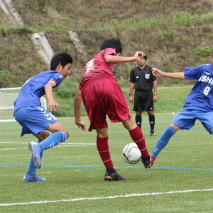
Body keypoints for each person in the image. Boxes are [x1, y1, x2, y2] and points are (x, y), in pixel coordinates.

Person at [150, 45, 213, 168]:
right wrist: (163, 74)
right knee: (170, 130)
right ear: (212, 58)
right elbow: (184, 74)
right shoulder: (204, 68)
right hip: (191, 107)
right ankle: (152, 157)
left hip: (207, 110)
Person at [74, 38, 151, 181]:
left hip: (88, 91)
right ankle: (146, 156)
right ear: (116, 51)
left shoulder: (89, 66)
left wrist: (77, 118)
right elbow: (109, 57)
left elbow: (78, 96)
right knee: (128, 121)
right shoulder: (107, 51)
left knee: (101, 132)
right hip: (105, 84)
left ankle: (110, 171)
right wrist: (133, 58)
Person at [14, 53, 73, 182]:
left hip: (18, 110)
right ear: (59, 66)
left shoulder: (39, 76)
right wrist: (51, 100)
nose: (69, 72)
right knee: (64, 133)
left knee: (44, 137)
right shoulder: (57, 75)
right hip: (30, 107)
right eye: (68, 68)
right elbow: (48, 86)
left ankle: (30, 175)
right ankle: (38, 147)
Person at [129, 54, 158, 136]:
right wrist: (131, 95)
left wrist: (155, 94)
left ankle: (152, 131)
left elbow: (154, 82)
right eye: (139, 59)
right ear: (137, 60)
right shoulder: (134, 71)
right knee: (138, 113)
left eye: (142, 59)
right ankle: (139, 132)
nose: (140, 60)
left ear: (145, 60)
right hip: (138, 94)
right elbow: (132, 83)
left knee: (151, 112)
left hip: (148, 94)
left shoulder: (150, 69)